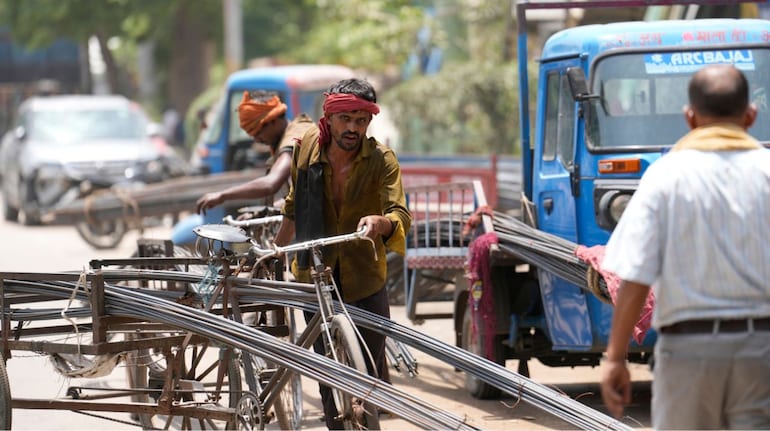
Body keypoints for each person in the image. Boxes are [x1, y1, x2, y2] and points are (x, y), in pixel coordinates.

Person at [600, 64, 770, 429]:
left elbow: (635, 275)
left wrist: (615, 358)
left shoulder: (665, 176)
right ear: (751, 116)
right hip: (763, 351)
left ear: (690, 118)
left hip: (688, 351)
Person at [273, 78, 412, 429]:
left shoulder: (382, 159)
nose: (353, 128)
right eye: (346, 119)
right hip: (313, 270)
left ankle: (366, 411)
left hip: (364, 273)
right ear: (330, 117)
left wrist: (381, 222)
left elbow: (401, 214)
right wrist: (275, 251)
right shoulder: (305, 147)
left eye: (361, 121)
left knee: (370, 369)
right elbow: (294, 204)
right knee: (325, 370)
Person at [195, 91, 314, 215]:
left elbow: (270, 183)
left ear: (273, 120)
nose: (257, 140)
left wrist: (222, 195)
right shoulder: (294, 131)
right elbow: (295, 199)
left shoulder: (293, 139)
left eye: (258, 133)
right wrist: (258, 214)